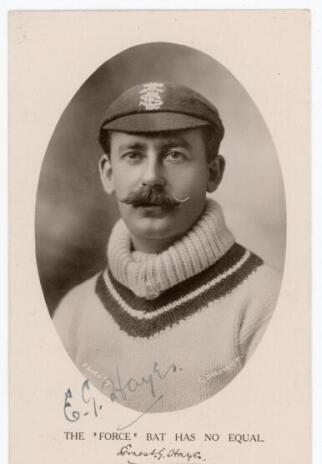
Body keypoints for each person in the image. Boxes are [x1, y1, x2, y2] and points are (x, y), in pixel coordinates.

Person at [54, 81, 281, 413]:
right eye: (133, 155)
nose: (151, 177)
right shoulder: (73, 312)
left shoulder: (265, 302)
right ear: (107, 173)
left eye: (175, 155)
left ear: (213, 173)